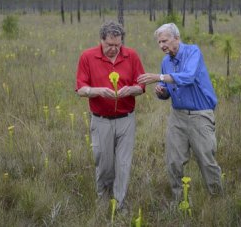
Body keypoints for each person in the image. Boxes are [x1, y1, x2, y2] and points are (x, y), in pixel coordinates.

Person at [137, 23, 223, 202]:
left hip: (200, 115)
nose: (162, 45)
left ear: (176, 38)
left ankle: (217, 199)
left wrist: (158, 77)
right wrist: (162, 92)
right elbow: (169, 89)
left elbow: (188, 77)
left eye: (165, 41)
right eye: (159, 42)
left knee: (206, 160)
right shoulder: (165, 61)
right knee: (173, 161)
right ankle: (180, 200)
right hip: (178, 116)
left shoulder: (193, 52)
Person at [75, 21, 145, 213]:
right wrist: (98, 91)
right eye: (109, 45)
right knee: (104, 164)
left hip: (126, 120)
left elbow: (141, 87)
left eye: (117, 45)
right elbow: (81, 89)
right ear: (101, 40)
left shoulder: (131, 56)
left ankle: (119, 204)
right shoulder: (88, 57)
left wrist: (131, 89)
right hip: (101, 120)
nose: (114, 49)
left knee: (123, 164)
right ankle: (103, 201)